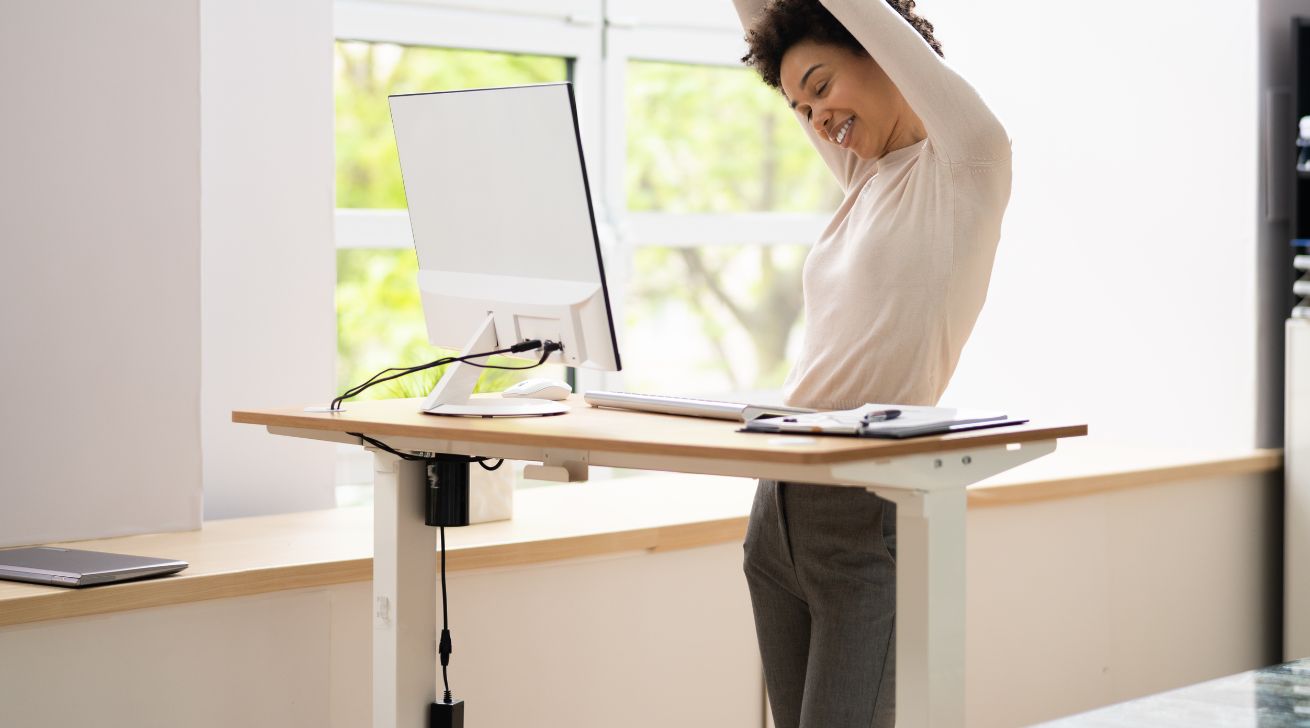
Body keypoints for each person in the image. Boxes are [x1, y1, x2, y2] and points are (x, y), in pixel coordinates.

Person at [729, 0, 1013, 726]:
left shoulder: (969, 161)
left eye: (822, 88)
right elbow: (756, 17)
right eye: (799, 106)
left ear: (878, 51)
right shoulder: (865, 178)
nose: (816, 117)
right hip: (777, 512)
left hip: (863, 513)